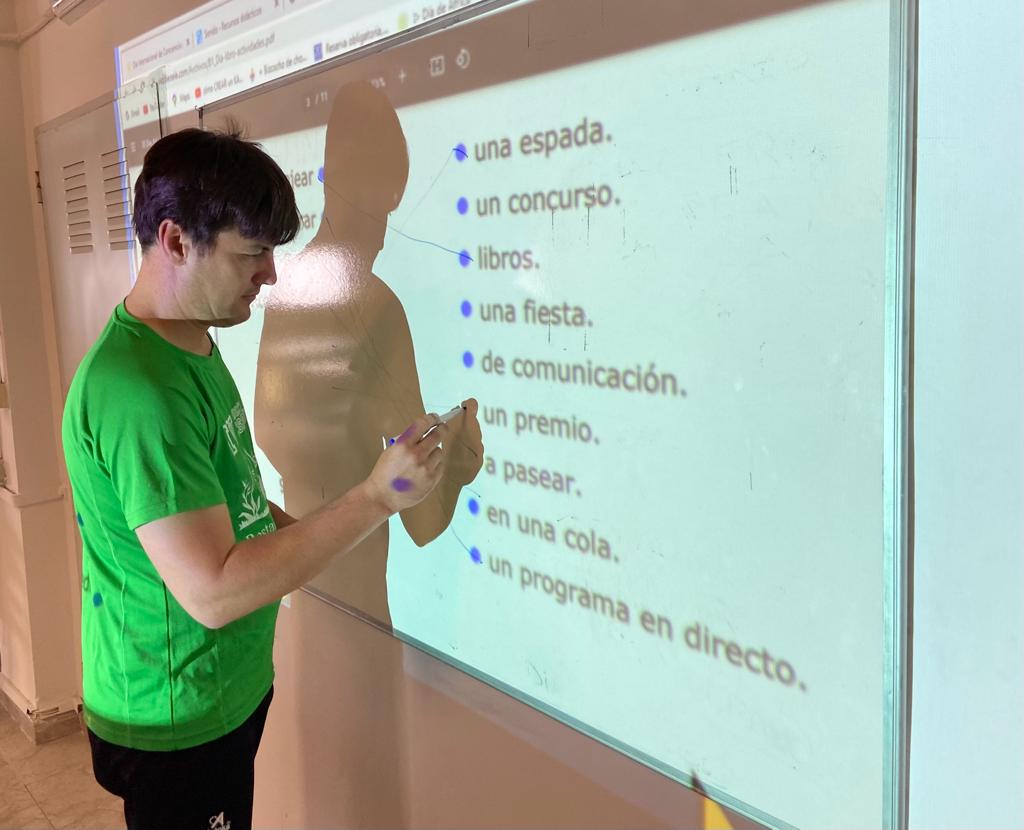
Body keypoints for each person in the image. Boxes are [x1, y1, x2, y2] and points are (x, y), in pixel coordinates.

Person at [61, 127, 453, 830]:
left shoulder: (191, 342)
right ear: (176, 242)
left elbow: (235, 503)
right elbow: (212, 593)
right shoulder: (140, 391)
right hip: (175, 716)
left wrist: (325, 535)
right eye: (252, 254)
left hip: (218, 691)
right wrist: (375, 497)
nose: (270, 275)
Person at [256, 80, 484, 625]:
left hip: (298, 592)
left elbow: (267, 432)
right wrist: (458, 465)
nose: (387, 223)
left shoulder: (287, 289)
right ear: (388, 191)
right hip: (359, 611)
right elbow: (423, 523)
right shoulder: (378, 310)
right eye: (390, 196)